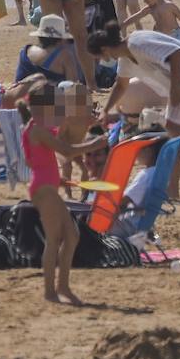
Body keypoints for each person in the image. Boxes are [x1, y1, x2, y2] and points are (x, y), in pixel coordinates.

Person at [91, 22, 180, 201]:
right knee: (174, 135)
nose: (103, 61)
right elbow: (121, 85)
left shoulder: (137, 43)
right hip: (179, 81)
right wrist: (105, 110)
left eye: (99, 56)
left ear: (105, 49)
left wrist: (175, 89)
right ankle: (172, 191)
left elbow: (176, 53)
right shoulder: (125, 58)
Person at [19, 80, 107, 304]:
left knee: (71, 236)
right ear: (44, 108)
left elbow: (39, 162)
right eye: (58, 107)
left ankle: (62, 287)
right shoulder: (37, 130)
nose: (61, 112)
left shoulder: (38, 129)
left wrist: (59, 179)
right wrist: (96, 144)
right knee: (54, 238)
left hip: (48, 187)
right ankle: (52, 291)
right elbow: (66, 151)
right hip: (44, 190)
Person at [15, 14, 83, 84]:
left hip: (23, 93)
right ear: (61, 39)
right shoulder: (64, 55)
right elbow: (72, 84)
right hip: (48, 93)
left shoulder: (26, 50)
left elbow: (18, 79)